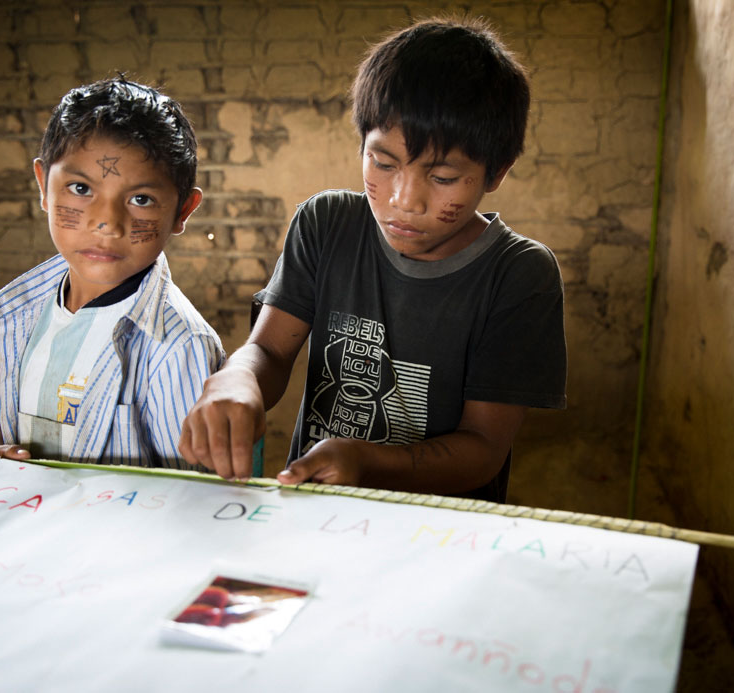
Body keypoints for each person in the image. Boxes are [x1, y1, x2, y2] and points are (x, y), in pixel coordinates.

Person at [179, 16, 567, 502]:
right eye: (383, 164)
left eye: (443, 177)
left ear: (497, 172)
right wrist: (238, 379)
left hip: (441, 536)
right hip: (317, 516)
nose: (404, 200)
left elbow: (483, 449)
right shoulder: (326, 224)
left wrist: (366, 461)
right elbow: (271, 352)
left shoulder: (519, 274)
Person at [0, 77, 224, 480]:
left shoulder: (178, 346)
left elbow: (194, 495)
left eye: (141, 199)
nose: (106, 222)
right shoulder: (23, 308)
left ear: (183, 211)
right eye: (80, 188)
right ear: (43, 187)